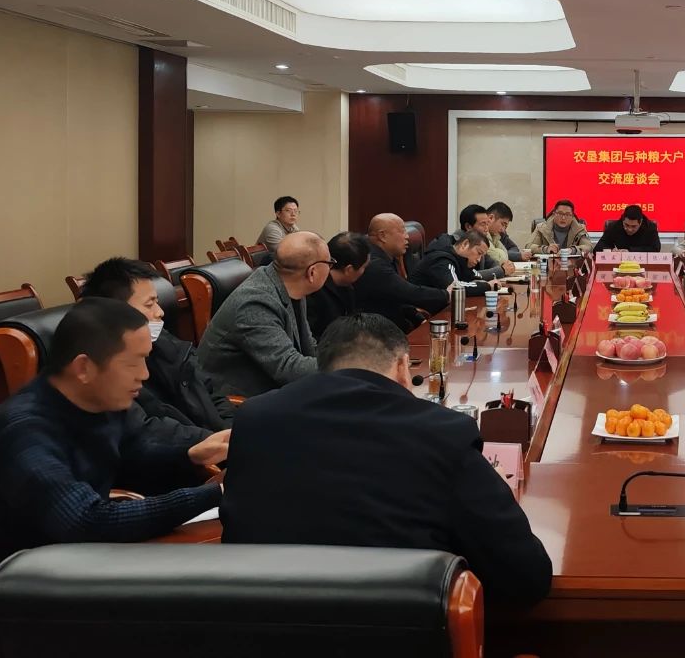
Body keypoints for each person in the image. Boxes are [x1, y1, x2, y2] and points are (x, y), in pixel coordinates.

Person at [220, 312, 552, 606]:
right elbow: (526, 577)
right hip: (399, 635)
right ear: (403, 367)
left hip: (265, 630)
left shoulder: (254, 418)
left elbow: (237, 534)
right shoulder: (442, 432)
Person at [0, 299, 228, 575]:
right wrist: (213, 493)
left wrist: (190, 453)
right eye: (133, 363)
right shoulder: (22, 431)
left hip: (80, 561)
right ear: (84, 368)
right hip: (20, 580)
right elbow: (87, 522)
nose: (144, 374)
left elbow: (135, 451)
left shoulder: (97, 402)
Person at [82, 257, 234, 443]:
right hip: (186, 454)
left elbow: (213, 393)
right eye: (149, 304)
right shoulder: (102, 372)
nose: (160, 312)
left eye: (157, 302)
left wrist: (233, 431)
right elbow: (147, 433)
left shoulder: (165, 342)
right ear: (115, 312)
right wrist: (215, 442)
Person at [195, 232, 325, 398]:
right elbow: (289, 368)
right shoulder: (254, 303)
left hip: (272, 390)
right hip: (233, 402)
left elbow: (308, 347)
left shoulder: (291, 286)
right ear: (312, 272)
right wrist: (347, 365)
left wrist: (346, 355)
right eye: (330, 263)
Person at [355, 213, 449, 329]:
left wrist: (419, 319)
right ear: (382, 236)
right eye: (402, 231)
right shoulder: (373, 263)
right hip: (375, 332)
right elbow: (410, 293)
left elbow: (398, 297)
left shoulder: (387, 257)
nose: (407, 236)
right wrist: (447, 295)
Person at [306, 231, 372, 341]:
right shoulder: (313, 290)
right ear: (349, 269)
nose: (364, 272)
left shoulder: (347, 287)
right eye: (364, 267)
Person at [427, 204, 513, 281]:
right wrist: (501, 271)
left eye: (487, 224)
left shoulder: (478, 244)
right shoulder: (453, 245)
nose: (487, 229)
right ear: (468, 227)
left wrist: (499, 270)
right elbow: (468, 276)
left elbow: (492, 263)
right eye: (483, 224)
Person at [410, 230, 493, 298]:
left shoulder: (461, 260)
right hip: (422, 310)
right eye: (479, 253)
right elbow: (455, 288)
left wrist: (485, 283)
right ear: (465, 244)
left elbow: (476, 277)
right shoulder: (442, 260)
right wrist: (487, 286)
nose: (479, 260)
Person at [528, 199, 593, 254]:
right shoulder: (541, 228)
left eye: (567, 214)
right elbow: (529, 246)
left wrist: (573, 250)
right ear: (554, 214)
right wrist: (546, 249)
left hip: (572, 263)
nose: (563, 218)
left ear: (572, 216)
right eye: (560, 213)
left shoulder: (579, 229)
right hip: (547, 263)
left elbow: (589, 247)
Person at [594, 204, 661, 252]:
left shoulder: (650, 228)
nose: (629, 229)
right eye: (626, 225)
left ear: (640, 222)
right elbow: (598, 248)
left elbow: (656, 248)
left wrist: (630, 251)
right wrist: (611, 250)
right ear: (623, 220)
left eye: (634, 226)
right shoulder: (614, 226)